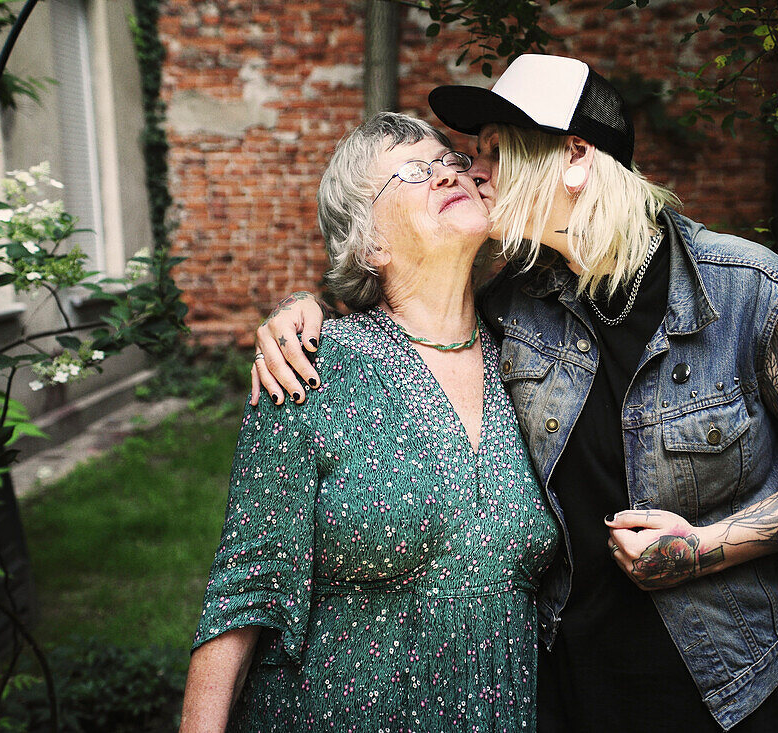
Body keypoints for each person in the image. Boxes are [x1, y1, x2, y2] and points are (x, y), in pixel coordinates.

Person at [252, 55, 778, 731]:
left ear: (577, 157)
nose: (474, 170)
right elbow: (409, 310)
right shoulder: (517, 304)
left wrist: (707, 546)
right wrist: (304, 311)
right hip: (576, 687)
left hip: (740, 689)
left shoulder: (748, 290)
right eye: (476, 152)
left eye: (499, 152)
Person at [181, 111, 559, 731]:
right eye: (415, 170)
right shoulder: (311, 368)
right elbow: (246, 588)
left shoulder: (534, 360)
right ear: (370, 244)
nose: (446, 175)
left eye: (449, 161)